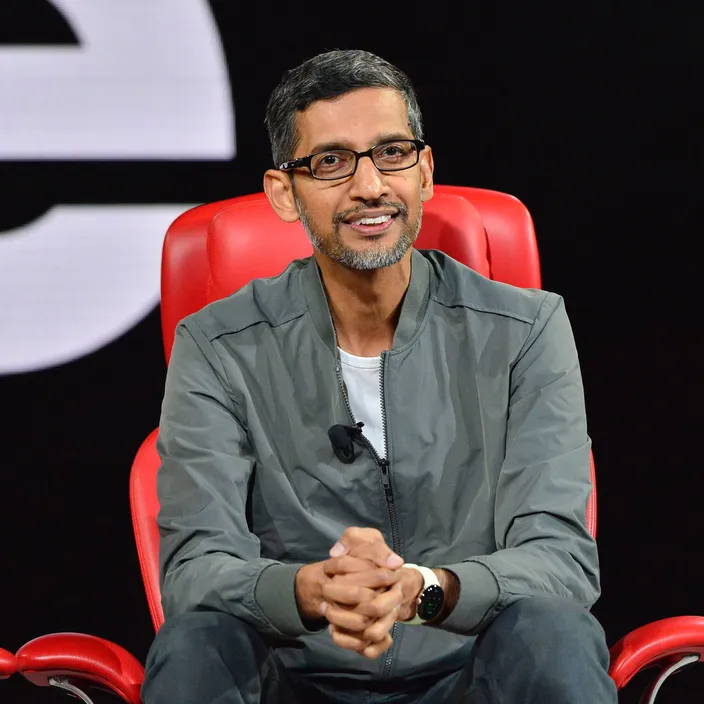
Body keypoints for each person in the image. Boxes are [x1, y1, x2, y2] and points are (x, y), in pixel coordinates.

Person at [141, 49, 617, 703]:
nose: (370, 186)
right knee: (195, 643)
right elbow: (194, 569)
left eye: (392, 153)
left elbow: (560, 558)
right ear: (285, 192)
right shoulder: (217, 345)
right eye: (332, 162)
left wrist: (428, 590)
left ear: (424, 171)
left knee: (554, 631)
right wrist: (310, 590)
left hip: (470, 671)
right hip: (293, 675)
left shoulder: (526, 330)